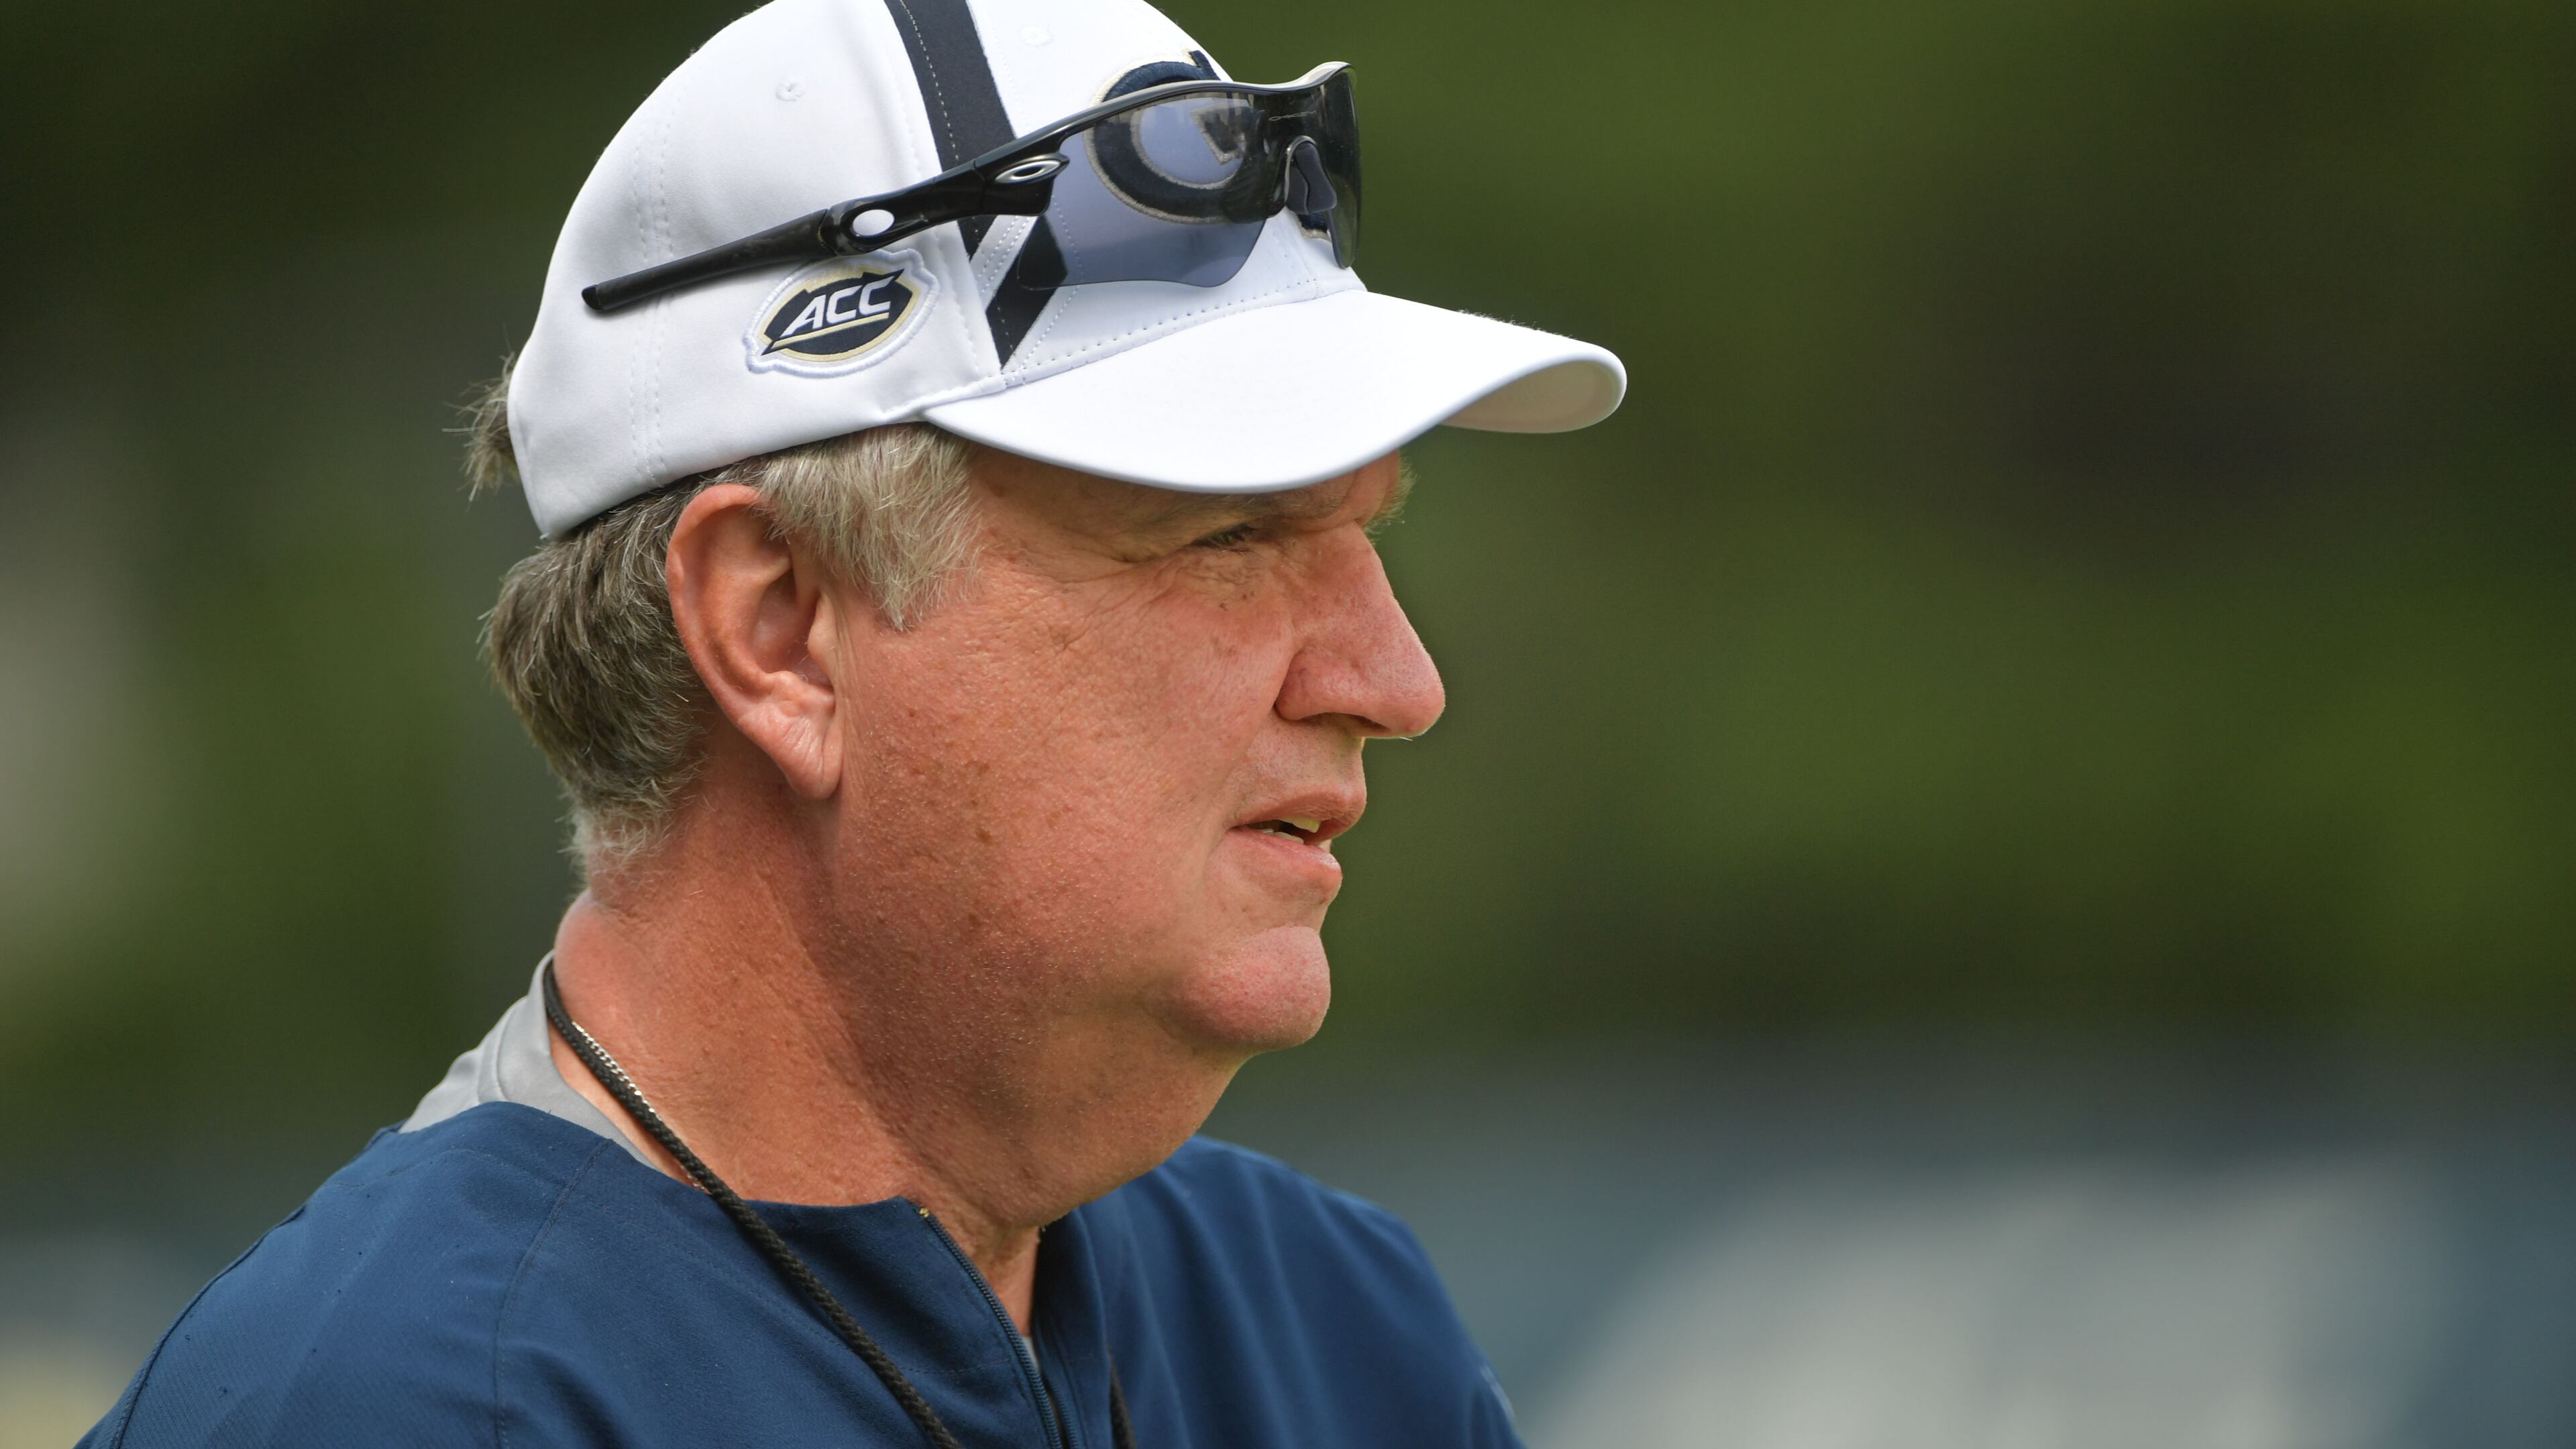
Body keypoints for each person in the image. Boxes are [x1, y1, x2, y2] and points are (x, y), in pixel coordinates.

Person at [80, 0, 1622, 1443]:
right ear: (778, 633)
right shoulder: (407, 1404)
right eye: (1223, 540)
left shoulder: (1334, 1327)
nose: (1393, 679)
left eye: (1368, 536)